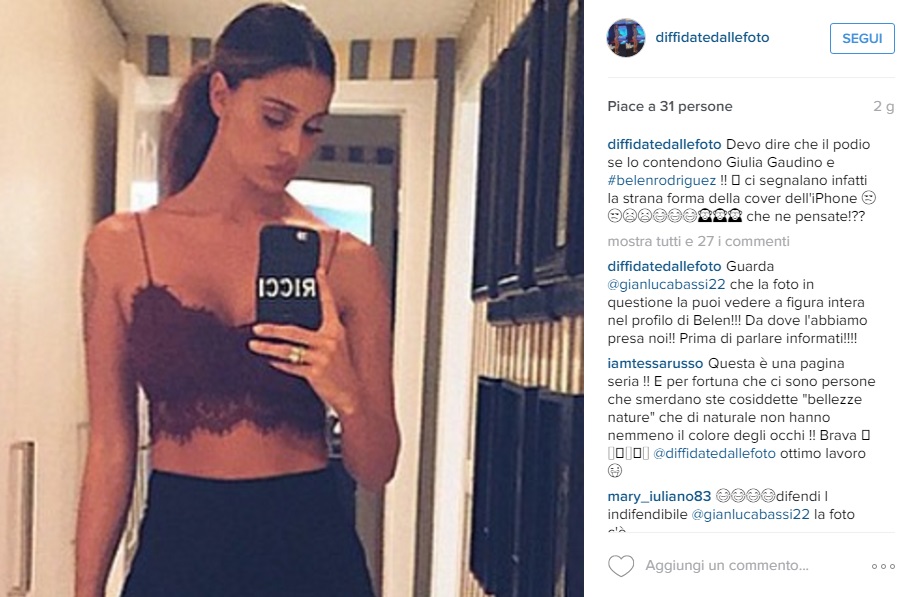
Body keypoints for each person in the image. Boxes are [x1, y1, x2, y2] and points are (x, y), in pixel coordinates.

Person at [75, 4, 399, 596]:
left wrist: (345, 392)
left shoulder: (348, 261)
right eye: (275, 118)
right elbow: (110, 445)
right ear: (221, 94)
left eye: (312, 127)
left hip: (310, 552)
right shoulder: (121, 247)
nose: (292, 147)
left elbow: (377, 467)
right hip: (178, 550)